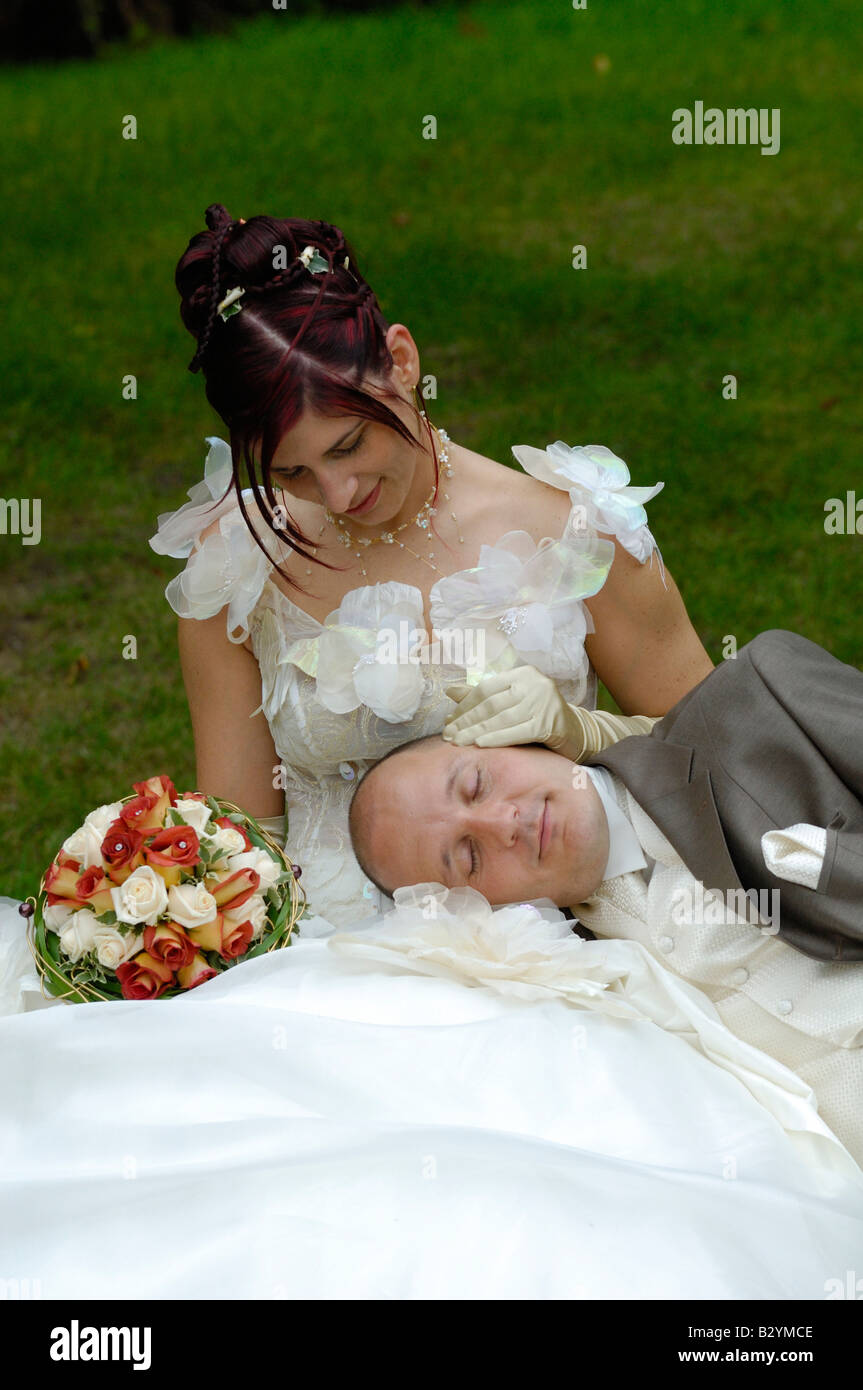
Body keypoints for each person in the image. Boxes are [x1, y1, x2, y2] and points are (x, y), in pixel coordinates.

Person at [150, 203, 713, 924]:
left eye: (349, 446)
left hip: (552, 945)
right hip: (319, 954)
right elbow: (243, 843)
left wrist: (575, 732)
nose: (338, 493)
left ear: (404, 361)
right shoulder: (237, 561)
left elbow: (713, 752)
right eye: (293, 473)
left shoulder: (572, 529)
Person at [347, 629, 863, 1166]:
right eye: (468, 857)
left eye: (477, 783)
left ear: (505, 735)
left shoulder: (762, 699)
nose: (505, 823)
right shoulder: (553, 1006)